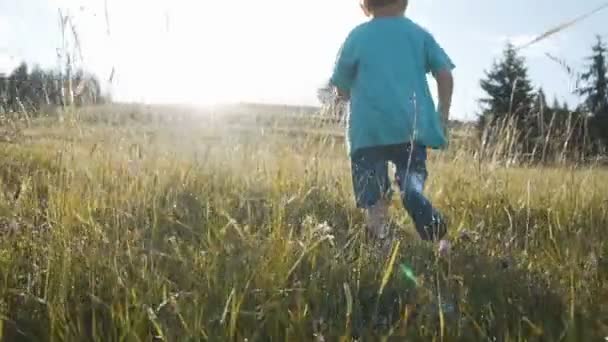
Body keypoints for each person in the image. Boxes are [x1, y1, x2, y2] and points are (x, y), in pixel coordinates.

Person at [327, 0, 455, 244]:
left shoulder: (357, 36)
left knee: (374, 197)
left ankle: (379, 242)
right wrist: (442, 114)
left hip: (368, 131)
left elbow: (340, 88)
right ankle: (422, 211)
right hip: (410, 127)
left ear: (365, 4)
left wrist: (343, 97)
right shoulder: (418, 34)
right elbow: (445, 74)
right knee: (411, 183)